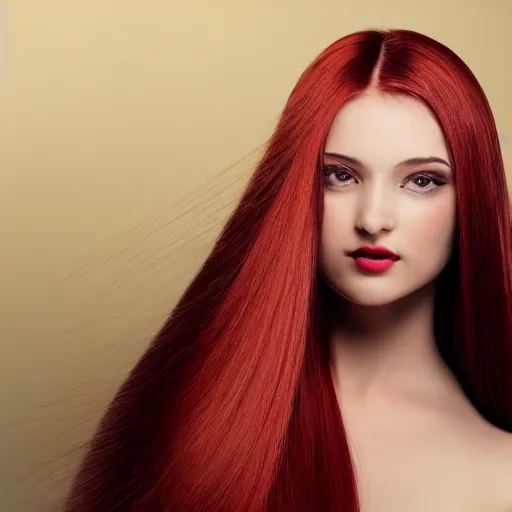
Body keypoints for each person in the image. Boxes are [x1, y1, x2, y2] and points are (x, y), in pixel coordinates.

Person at [63, 28, 512, 511]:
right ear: (297, 187)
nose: (373, 219)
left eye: (422, 180)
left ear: (472, 198)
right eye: (340, 175)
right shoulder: (198, 422)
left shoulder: (499, 471)